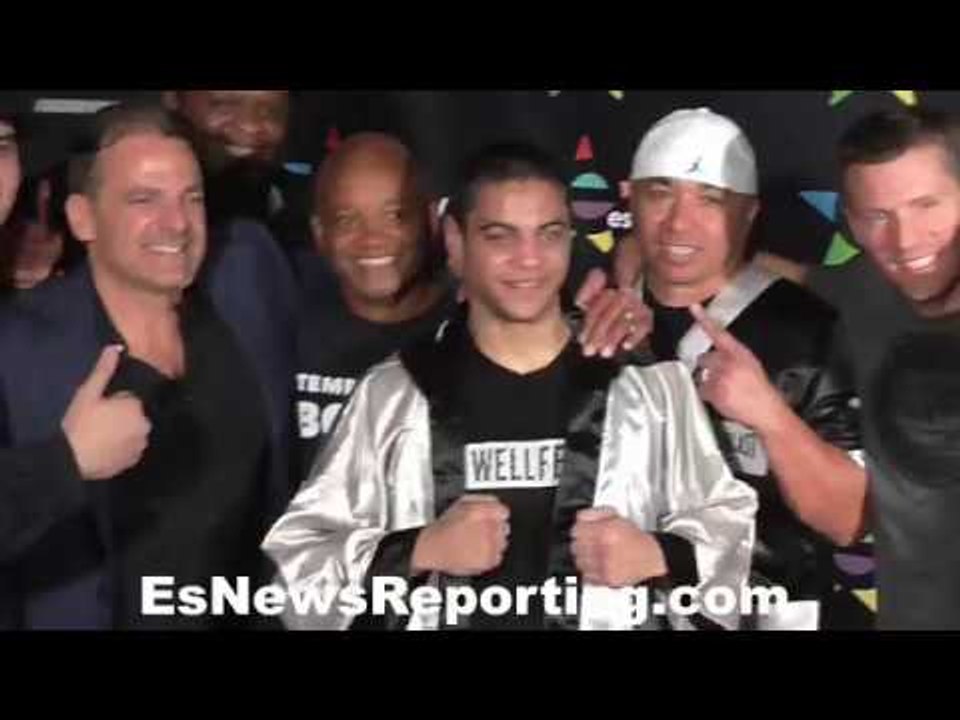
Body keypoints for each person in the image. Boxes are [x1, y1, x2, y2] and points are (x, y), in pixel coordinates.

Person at [263, 142, 757, 631]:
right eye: (501, 237)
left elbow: (734, 531)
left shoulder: (647, 387)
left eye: (549, 234)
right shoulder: (397, 393)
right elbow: (299, 561)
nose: (529, 259)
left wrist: (656, 554)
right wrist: (418, 551)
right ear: (456, 243)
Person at [0, 102, 293, 629]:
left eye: (192, 197)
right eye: (144, 199)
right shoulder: (17, 347)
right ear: (82, 218)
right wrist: (67, 462)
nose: (177, 223)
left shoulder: (248, 276)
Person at [623, 108, 867, 629]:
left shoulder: (807, 328)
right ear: (630, 199)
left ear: (749, 213)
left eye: (709, 199)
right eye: (660, 193)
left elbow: (847, 520)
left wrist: (768, 415)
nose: (678, 222)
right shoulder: (591, 322)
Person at [295, 131, 654, 480]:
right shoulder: (282, 324)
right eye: (347, 220)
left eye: (395, 216)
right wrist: (417, 544)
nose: (372, 239)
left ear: (433, 220)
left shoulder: (484, 320)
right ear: (319, 231)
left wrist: (628, 338)